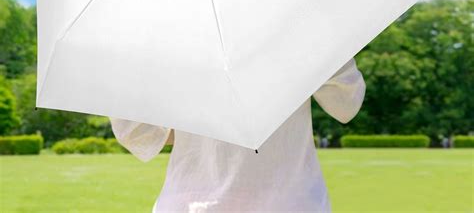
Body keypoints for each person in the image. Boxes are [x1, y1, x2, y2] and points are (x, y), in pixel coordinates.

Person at [110, 58, 365, 212]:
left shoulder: (171, 26)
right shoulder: (302, 18)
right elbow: (347, 104)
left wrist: (206, 133)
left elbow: (136, 133)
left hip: (193, 202)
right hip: (290, 200)